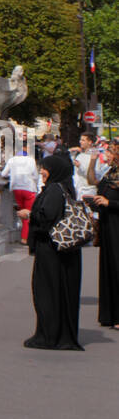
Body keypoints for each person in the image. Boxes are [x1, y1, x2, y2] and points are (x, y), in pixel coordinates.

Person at [17, 147, 83, 351]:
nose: (42, 172)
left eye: (45, 169)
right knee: (59, 292)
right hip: (63, 251)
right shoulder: (65, 187)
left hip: (51, 250)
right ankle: (57, 333)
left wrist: (30, 214)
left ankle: (49, 336)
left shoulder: (54, 190)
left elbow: (48, 218)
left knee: (47, 292)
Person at [92, 139, 119, 329]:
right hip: (108, 227)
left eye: (110, 151)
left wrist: (111, 204)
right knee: (109, 268)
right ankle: (110, 314)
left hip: (117, 227)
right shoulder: (110, 173)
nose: (107, 155)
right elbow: (94, 182)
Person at [3, 143, 40, 243]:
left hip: (16, 189)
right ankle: (26, 237)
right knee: (28, 213)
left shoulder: (12, 160)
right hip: (29, 189)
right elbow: (36, 176)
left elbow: (3, 174)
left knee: (21, 212)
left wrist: (13, 174)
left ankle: (22, 234)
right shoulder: (31, 160)